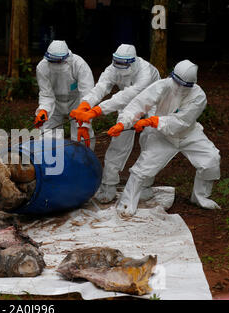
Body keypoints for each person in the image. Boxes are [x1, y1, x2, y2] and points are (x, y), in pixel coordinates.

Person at [107, 60, 221, 217]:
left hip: (188, 134)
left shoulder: (199, 96)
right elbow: (139, 103)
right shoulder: (163, 85)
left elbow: (182, 121)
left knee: (211, 159)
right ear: (172, 76)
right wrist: (123, 123)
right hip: (161, 135)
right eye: (177, 82)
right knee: (142, 169)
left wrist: (152, 121)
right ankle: (127, 203)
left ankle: (200, 197)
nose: (179, 87)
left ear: (192, 84)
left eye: (185, 85)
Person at [69, 44, 161, 203]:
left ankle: (144, 185)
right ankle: (108, 184)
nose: (118, 68)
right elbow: (101, 87)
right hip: (127, 103)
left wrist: (97, 111)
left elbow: (128, 95)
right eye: (116, 64)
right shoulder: (113, 68)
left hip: (153, 103)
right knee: (118, 141)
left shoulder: (145, 72)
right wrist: (85, 104)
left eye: (122, 65)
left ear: (132, 63)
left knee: (151, 140)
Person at [34, 40, 95, 148]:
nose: (56, 64)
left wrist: (84, 122)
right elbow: (46, 93)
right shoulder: (42, 67)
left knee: (81, 137)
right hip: (55, 103)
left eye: (58, 61)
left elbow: (87, 94)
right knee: (48, 136)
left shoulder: (79, 64)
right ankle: (53, 162)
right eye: (52, 61)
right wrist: (43, 109)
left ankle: (84, 163)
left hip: (77, 102)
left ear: (67, 58)